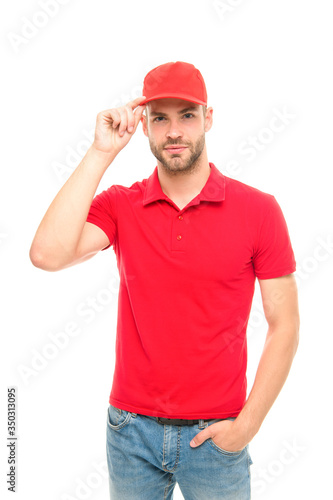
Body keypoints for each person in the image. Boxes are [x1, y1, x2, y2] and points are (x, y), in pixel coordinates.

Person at [30, 61, 300, 500]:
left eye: (187, 115)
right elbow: (46, 254)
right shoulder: (122, 205)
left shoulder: (259, 210)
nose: (174, 131)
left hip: (217, 436)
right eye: (160, 118)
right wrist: (101, 152)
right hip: (130, 431)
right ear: (145, 126)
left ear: (208, 118)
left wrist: (247, 425)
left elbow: (285, 323)